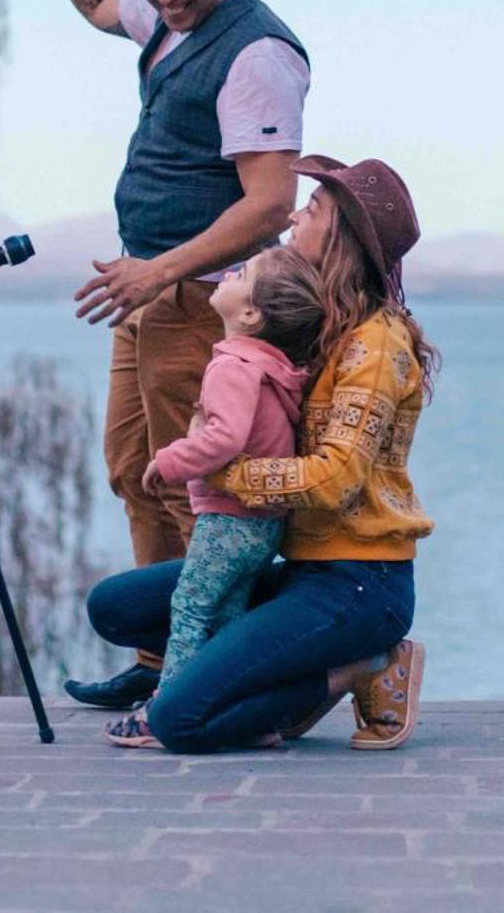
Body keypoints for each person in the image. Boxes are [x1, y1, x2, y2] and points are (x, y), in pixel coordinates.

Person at [19, 0, 313, 710]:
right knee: (134, 467)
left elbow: (269, 203)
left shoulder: (258, 54)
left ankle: (210, 670)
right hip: (147, 292)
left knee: (203, 498)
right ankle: (159, 658)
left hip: (202, 304)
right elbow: (99, 0)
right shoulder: (169, 23)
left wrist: (162, 274)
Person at [85, 157, 438, 752]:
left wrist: (220, 468)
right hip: (298, 566)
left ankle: (361, 667)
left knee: (179, 721)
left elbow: (335, 481)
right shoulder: (314, 320)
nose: (296, 214)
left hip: (358, 582)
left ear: (342, 238)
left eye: (315, 209)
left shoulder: (375, 344)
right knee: (116, 608)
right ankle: (269, 670)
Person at [103, 246, 324, 749]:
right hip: (263, 524)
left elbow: (224, 438)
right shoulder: (273, 367)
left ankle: (163, 709)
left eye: (241, 272)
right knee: (227, 615)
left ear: (250, 313)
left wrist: (170, 461)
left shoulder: (233, 366)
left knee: (189, 605)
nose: (227, 273)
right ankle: (245, 715)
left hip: (228, 520)